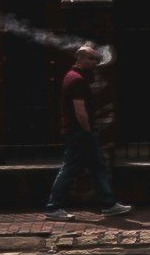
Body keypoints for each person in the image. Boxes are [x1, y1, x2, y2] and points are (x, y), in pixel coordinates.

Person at [45, 18, 120, 216]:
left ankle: (108, 204)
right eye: (91, 59)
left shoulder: (71, 76)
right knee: (70, 169)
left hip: (78, 131)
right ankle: (53, 207)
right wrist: (87, 131)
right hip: (79, 132)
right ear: (80, 59)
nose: (95, 63)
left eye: (96, 59)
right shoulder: (77, 80)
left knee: (96, 167)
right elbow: (80, 110)